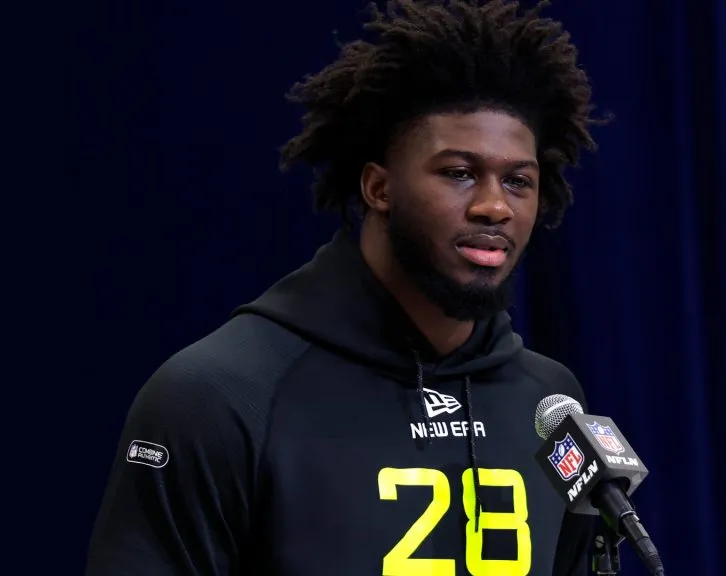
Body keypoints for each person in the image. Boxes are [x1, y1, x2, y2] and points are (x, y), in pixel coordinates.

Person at [85, 0, 607, 574]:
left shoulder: (549, 403)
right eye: (459, 172)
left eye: (518, 181)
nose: (494, 206)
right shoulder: (220, 396)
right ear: (379, 188)